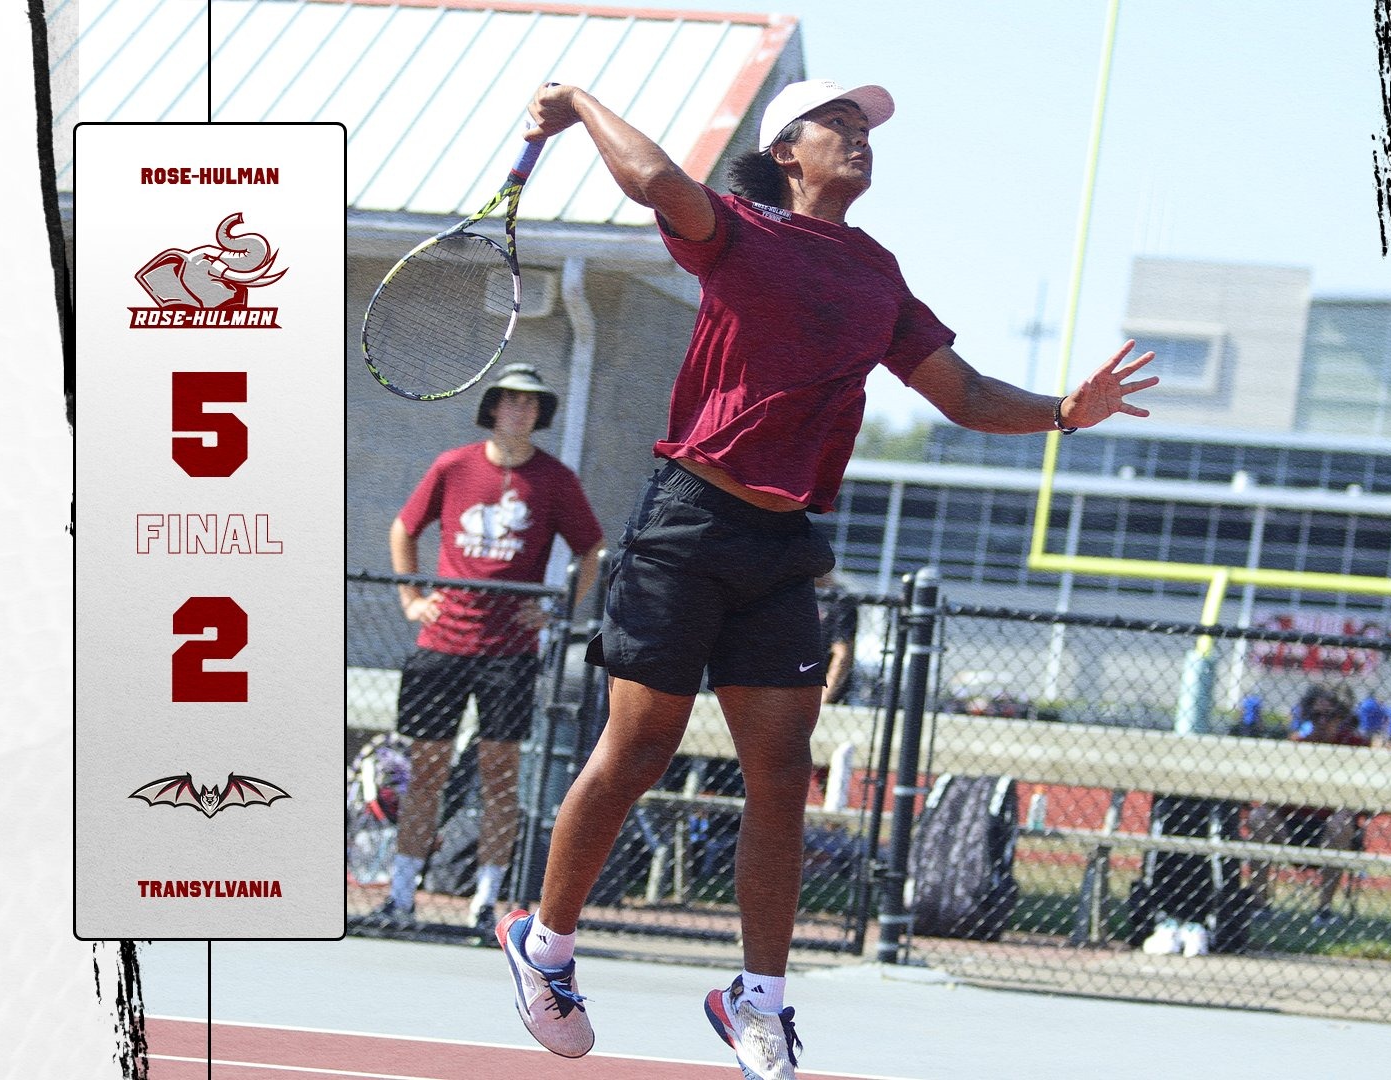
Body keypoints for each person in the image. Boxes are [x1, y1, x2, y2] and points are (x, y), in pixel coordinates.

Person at [494, 77, 1156, 1075]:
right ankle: (544, 949)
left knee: (782, 775)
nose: (858, 141)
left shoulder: (877, 274)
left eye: (865, 131)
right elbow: (655, 177)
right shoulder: (738, 232)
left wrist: (1065, 411)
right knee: (637, 754)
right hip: (686, 521)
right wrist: (581, 101)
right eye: (836, 128)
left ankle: (757, 999)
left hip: (782, 544)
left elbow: (965, 394)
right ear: (786, 152)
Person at [372, 364, 604, 936]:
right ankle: (401, 896)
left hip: (510, 649)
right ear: (493, 408)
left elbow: (591, 550)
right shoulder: (453, 466)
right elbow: (405, 528)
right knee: (426, 770)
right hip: (442, 644)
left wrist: (555, 609)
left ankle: (485, 902)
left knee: (499, 774)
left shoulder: (554, 479)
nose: (521, 412)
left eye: (531, 404)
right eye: (511, 402)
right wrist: (412, 596)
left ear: (538, 414)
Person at [1248, 682, 1367, 927]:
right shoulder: (1298, 745)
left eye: (1330, 715)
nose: (1322, 722)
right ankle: (1260, 904)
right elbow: (1273, 794)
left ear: (1342, 715)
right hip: (1293, 824)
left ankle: (1323, 910)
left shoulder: (1357, 747)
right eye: (1316, 716)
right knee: (1259, 816)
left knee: (1342, 819)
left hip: (1331, 826)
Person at [815, 573, 858, 706]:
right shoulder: (797, 597)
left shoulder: (840, 601)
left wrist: (825, 696)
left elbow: (842, 654)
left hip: (822, 692)